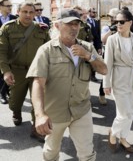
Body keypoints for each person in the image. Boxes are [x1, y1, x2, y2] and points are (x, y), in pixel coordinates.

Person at [26, 9, 108, 161]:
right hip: (55, 113)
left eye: (77, 24)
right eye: (69, 23)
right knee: (51, 152)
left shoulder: (87, 47)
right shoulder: (46, 50)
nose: (74, 28)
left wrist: (88, 56)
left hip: (81, 110)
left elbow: (104, 70)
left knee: (87, 154)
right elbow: (38, 83)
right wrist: (40, 115)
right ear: (57, 26)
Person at [0, 2, 50, 142]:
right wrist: (6, 71)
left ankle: (37, 128)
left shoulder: (41, 29)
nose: (28, 15)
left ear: (35, 14)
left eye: (31, 12)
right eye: (25, 11)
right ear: (18, 11)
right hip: (17, 71)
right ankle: (16, 111)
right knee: (14, 102)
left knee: (39, 102)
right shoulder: (8, 28)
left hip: (37, 71)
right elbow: (1, 52)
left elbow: (49, 51)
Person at [103, 8, 133, 153]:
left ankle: (123, 138)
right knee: (123, 114)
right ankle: (113, 132)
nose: (118, 24)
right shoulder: (112, 39)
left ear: (130, 22)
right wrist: (106, 84)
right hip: (119, 80)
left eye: (121, 22)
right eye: (116, 22)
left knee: (131, 110)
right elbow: (107, 63)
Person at [97, 8, 120, 106]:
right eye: (110, 17)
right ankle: (102, 94)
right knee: (106, 74)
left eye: (113, 17)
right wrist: (111, 30)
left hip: (119, 54)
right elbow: (103, 39)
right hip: (108, 53)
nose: (111, 19)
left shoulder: (121, 26)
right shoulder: (106, 28)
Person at [0, 0, 17, 104]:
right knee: (2, 73)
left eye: (11, 5)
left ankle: (9, 92)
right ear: (1, 7)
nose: (10, 8)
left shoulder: (15, 18)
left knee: (11, 72)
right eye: (8, 6)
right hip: (0, 51)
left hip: (13, 51)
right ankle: (2, 95)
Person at [87, 7, 102, 83]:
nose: (95, 14)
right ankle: (88, 75)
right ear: (89, 12)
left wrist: (99, 47)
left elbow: (98, 35)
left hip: (95, 45)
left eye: (95, 12)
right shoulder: (85, 21)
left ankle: (93, 76)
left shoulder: (97, 21)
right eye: (93, 12)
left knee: (94, 59)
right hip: (88, 44)